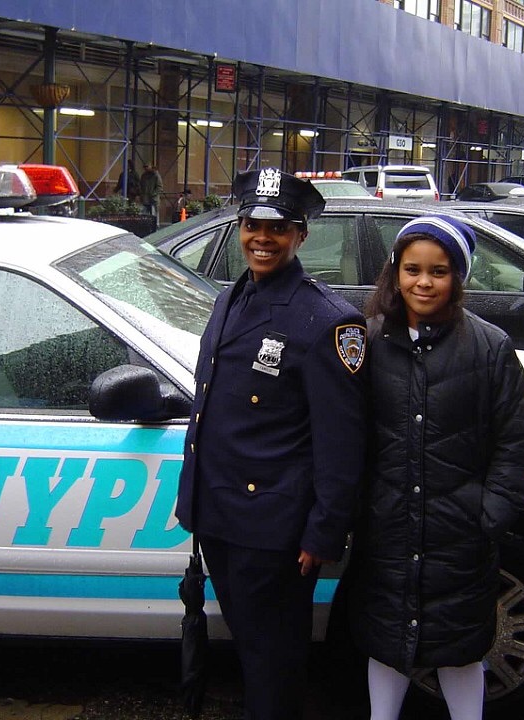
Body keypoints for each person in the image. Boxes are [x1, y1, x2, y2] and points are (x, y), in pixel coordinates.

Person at [176, 167, 368, 720]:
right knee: (251, 649)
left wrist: (324, 531)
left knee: (273, 660)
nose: (263, 237)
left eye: (279, 227)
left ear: (302, 235)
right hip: (222, 518)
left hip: (275, 533)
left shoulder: (328, 322)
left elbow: (341, 442)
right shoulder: (230, 299)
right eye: (253, 224)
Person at [347, 215, 524, 720]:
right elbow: (348, 434)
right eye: (412, 269)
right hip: (387, 529)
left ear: (459, 277)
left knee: (460, 647)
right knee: (387, 643)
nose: (424, 282)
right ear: (396, 272)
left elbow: (517, 435)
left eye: (439, 271)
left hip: (459, 535)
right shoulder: (368, 342)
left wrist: (490, 511)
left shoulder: (489, 347)